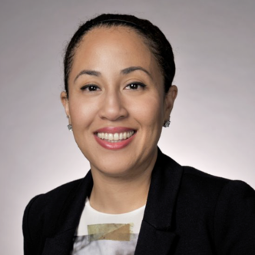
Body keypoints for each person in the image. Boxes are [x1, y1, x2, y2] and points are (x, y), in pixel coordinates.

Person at [22, 13, 255, 255]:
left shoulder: (226, 210)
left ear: (167, 102)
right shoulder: (43, 214)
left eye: (134, 85)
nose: (112, 110)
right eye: (91, 87)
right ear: (68, 106)